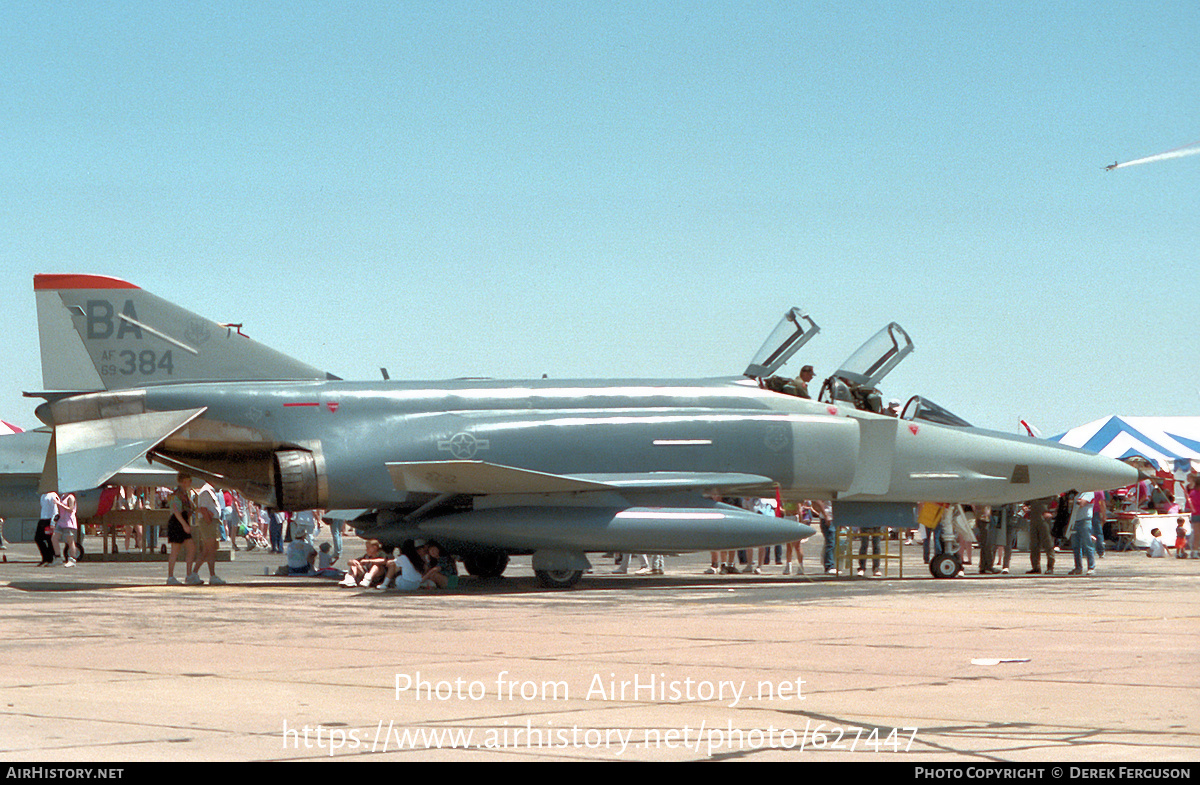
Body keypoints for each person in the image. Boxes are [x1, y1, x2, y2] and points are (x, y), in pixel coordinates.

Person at [192, 481, 225, 585]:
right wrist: (209, 521)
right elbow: (203, 508)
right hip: (209, 523)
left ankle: (194, 574)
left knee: (207, 550)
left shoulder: (209, 490)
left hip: (211, 522)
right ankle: (212, 575)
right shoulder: (206, 491)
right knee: (211, 550)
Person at [166, 474, 197, 585]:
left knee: (192, 548)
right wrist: (184, 525)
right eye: (188, 481)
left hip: (183, 520)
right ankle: (170, 576)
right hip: (177, 522)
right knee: (175, 550)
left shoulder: (186, 494)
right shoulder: (176, 495)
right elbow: (176, 511)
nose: (189, 483)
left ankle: (189, 575)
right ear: (183, 481)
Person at [1025, 497, 1055, 574]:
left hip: (1044, 522)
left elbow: (1059, 505)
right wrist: (1025, 508)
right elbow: (1025, 502)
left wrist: (1053, 514)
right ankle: (1036, 567)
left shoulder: (1050, 494)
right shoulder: (1034, 493)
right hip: (1033, 521)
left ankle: (1050, 567)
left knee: (1048, 544)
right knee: (1034, 545)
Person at [1069, 490, 1097, 575]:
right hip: (1075, 520)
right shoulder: (1078, 494)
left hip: (1085, 520)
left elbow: (1082, 503)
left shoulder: (1089, 492)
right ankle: (1078, 567)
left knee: (1087, 544)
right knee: (1076, 545)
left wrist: (1073, 501)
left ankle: (1091, 567)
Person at [53, 493, 79, 567]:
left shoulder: (71, 497)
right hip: (61, 521)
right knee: (54, 538)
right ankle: (58, 558)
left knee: (70, 540)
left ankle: (72, 559)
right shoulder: (62, 497)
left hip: (68, 521)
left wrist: (59, 504)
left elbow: (70, 509)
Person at [35, 491, 58, 566]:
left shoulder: (53, 495)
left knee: (49, 540)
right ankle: (46, 557)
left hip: (49, 520)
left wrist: (52, 523)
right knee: (38, 538)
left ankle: (51, 558)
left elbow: (55, 511)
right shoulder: (43, 496)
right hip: (43, 519)